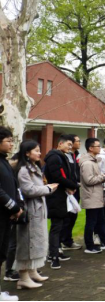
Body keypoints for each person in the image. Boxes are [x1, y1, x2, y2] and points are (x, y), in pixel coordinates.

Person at [12, 141, 58, 290]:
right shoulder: (24, 170)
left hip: (37, 210)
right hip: (30, 212)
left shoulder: (34, 167)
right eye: (36, 151)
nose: (39, 153)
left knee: (37, 243)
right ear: (27, 153)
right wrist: (48, 189)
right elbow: (28, 190)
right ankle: (23, 277)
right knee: (28, 244)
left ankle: (33, 271)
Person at [44, 134, 79, 270]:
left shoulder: (62, 156)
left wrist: (70, 186)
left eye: (71, 145)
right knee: (56, 226)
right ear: (60, 144)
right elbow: (58, 176)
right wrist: (73, 186)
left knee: (61, 223)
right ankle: (53, 256)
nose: (70, 147)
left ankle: (56, 251)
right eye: (68, 144)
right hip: (55, 196)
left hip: (61, 194)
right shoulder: (54, 157)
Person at [80, 138, 105, 255]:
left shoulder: (94, 161)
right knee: (91, 222)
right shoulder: (87, 163)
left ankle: (104, 240)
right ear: (91, 148)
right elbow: (89, 180)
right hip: (91, 196)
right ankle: (89, 245)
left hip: (97, 195)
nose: (100, 148)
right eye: (97, 146)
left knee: (101, 220)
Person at [0, 127, 23, 302]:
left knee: (2, 253)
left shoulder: (4, 161)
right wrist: (13, 207)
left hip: (6, 215)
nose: (11, 144)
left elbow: (13, 186)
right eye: (8, 140)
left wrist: (17, 206)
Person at [61, 135, 82, 252]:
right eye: (77, 141)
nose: (79, 143)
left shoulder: (77, 155)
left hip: (75, 189)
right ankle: (63, 241)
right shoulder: (64, 156)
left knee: (73, 215)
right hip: (67, 190)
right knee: (66, 217)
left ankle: (68, 240)